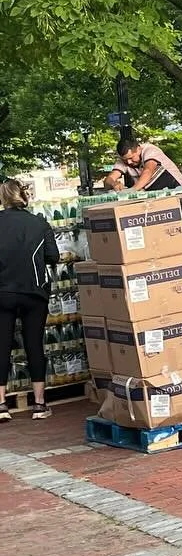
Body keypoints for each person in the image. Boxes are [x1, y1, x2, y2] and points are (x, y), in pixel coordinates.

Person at [0, 179, 60, 421]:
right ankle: (39, 404)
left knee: (1, 346)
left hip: (2, 292)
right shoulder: (38, 222)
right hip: (34, 292)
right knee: (34, 344)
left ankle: (2, 405)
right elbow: (52, 256)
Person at [113, 134, 182, 192]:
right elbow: (109, 179)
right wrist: (114, 184)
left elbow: (148, 171)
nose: (129, 162)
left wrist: (132, 190)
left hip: (180, 190)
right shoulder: (124, 160)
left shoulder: (150, 150)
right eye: (125, 160)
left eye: (131, 158)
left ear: (138, 149)